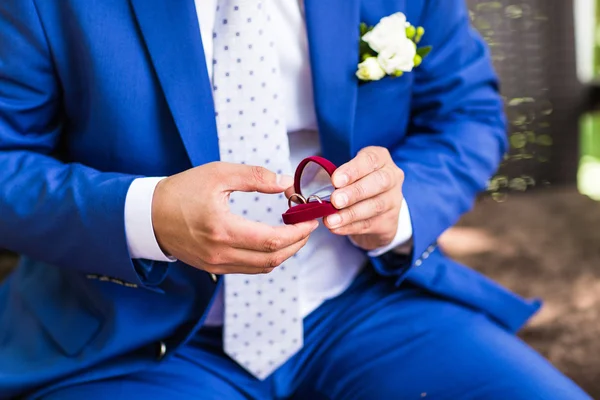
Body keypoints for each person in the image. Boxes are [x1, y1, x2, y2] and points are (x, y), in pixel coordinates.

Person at [0, 0, 590, 398]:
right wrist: (145, 216)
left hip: (367, 302)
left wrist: (399, 208)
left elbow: (468, 115)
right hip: (131, 335)